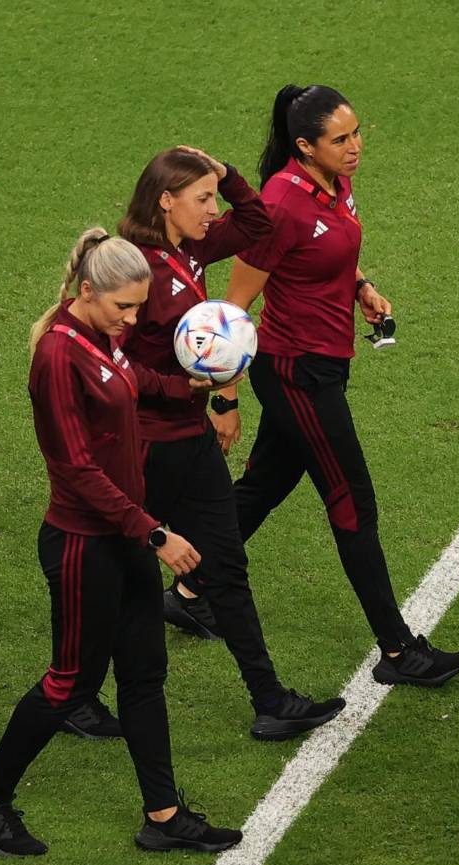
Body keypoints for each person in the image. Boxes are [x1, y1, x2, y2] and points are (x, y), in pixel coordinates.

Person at [0, 229, 240, 856]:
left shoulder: (98, 337)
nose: (133, 319)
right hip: (85, 547)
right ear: (89, 290)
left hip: (123, 539)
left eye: (140, 307)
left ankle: (164, 817)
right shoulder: (57, 357)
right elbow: (76, 471)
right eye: (125, 308)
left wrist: (192, 386)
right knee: (69, 684)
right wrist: (155, 532)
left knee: (143, 676)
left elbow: (133, 376)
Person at [220, 84, 459, 686]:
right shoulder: (280, 204)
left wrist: (361, 288)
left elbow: (333, 249)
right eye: (341, 139)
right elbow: (231, 309)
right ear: (305, 146)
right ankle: (396, 651)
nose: (356, 146)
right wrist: (223, 399)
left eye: (358, 133)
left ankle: (191, 584)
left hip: (323, 362)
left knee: (264, 485)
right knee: (352, 501)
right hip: (296, 372)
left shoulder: (333, 183)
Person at [117, 145, 345, 739]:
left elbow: (259, 225)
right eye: (201, 200)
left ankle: (269, 700)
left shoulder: (188, 248)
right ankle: (71, 691)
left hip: (189, 438)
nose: (213, 211)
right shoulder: (135, 270)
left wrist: (228, 176)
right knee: (121, 578)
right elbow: (112, 360)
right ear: (165, 201)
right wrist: (179, 386)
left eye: (212, 199)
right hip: (146, 446)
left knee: (227, 564)